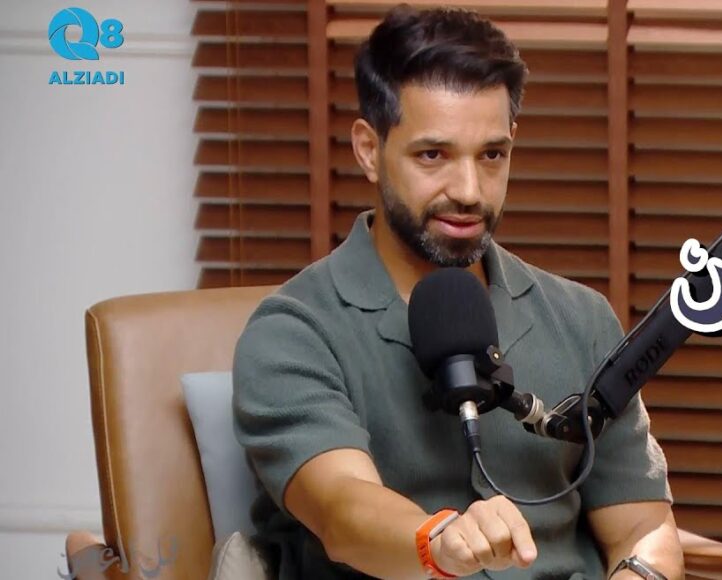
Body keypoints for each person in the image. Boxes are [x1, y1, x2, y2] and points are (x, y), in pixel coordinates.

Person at [232, 5, 683, 579]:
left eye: (492, 155)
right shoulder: (292, 332)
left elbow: (643, 528)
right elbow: (342, 509)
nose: (469, 191)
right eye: (433, 155)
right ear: (369, 150)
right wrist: (437, 542)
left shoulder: (582, 320)